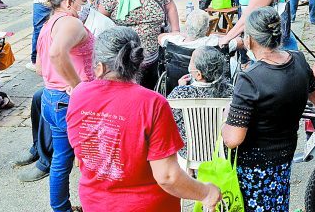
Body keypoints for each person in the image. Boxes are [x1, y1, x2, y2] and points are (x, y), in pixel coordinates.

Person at [66, 27, 221, 212]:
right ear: (139, 62)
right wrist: (206, 192)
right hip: (148, 206)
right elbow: (168, 177)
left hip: (96, 204)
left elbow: (81, 152)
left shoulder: (78, 95)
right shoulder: (153, 103)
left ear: (99, 66)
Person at [222, 7, 315, 212]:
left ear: (250, 40)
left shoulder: (250, 79)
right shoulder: (298, 59)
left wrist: (224, 119)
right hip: (284, 155)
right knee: (278, 204)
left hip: (255, 167)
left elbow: (233, 140)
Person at [35, 0, 95, 212]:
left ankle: (61, 208)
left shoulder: (49, 24)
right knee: (89, 157)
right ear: (69, 2)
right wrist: (77, 85)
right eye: (84, 1)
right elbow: (56, 53)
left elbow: (40, 68)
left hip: (51, 97)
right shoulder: (71, 22)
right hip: (70, 100)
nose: (86, 5)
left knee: (61, 159)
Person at [98, 0, 180, 89]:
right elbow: (101, 17)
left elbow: (170, 7)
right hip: (125, 56)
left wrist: (175, 31)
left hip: (152, 53)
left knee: (150, 88)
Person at [166, 46, 233, 158]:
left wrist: (180, 88)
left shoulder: (180, 93)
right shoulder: (232, 92)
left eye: (191, 61)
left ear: (198, 74)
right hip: (222, 154)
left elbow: (169, 121)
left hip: (189, 154)